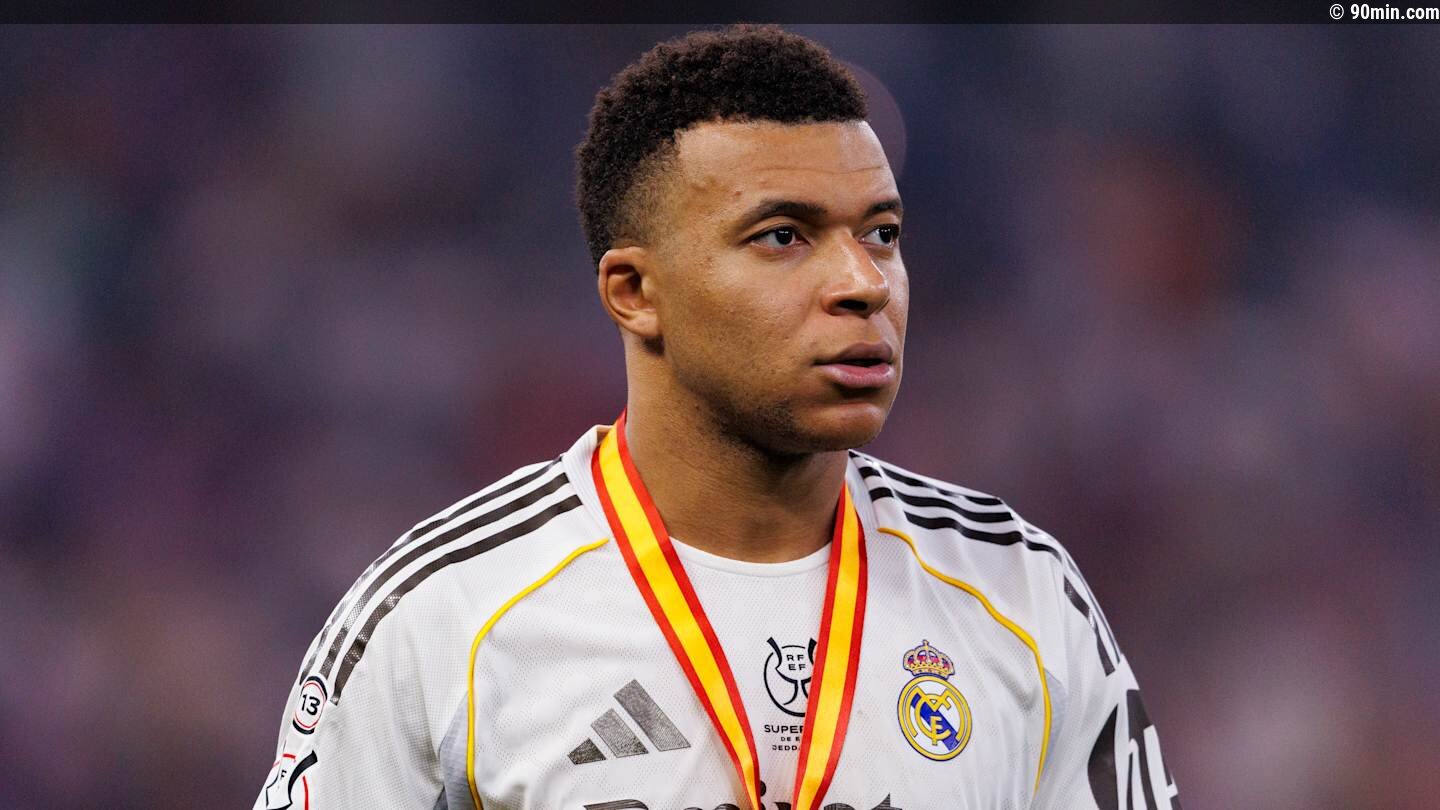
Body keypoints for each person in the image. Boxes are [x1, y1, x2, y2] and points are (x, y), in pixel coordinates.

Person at [255, 24, 1179, 810]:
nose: (863, 283)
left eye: (881, 234)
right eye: (783, 237)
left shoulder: (1021, 594)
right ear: (634, 292)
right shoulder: (442, 618)